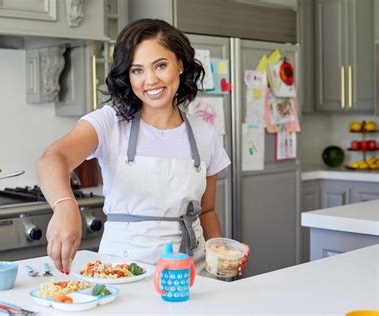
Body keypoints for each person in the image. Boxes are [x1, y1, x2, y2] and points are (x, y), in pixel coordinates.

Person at [38, 18, 248, 276]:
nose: (150, 80)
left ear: (180, 64)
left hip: (193, 272)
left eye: (160, 65)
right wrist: (64, 205)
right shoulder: (110, 123)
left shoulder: (205, 134)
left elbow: (207, 210)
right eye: (137, 70)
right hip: (123, 271)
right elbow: (53, 157)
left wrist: (221, 264)